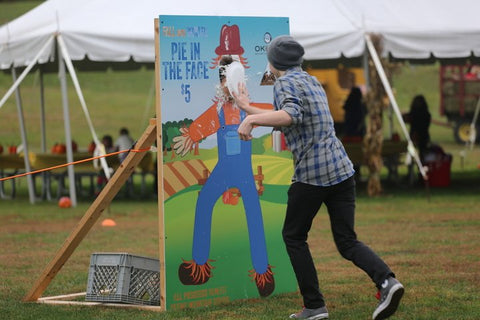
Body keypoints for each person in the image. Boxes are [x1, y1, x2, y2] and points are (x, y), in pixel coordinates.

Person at [234, 35, 404, 320]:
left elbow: (289, 115)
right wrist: (247, 107)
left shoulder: (284, 83)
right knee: (347, 241)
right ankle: (387, 281)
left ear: (274, 63)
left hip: (313, 174)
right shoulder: (310, 81)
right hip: (341, 170)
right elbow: (290, 114)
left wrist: (250, 119)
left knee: (294, 236)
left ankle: (314, 307)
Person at [172, 55, 275, 297]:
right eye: (221, 80)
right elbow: (205, 123)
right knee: (204, 202)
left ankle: (262, 273)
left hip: (243, 172)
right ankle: (199, 268)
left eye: (226, 79)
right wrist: (191, 136)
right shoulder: (220, 110)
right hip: (223, 169)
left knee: (254, 213)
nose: (223, 85)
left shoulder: (247, 108)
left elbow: (271, 113)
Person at [404, 94, 431, 161]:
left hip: (421, 136)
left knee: (422, 154)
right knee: (412, 153)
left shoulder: (424, 114)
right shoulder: (423, 114)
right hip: (417, 135)